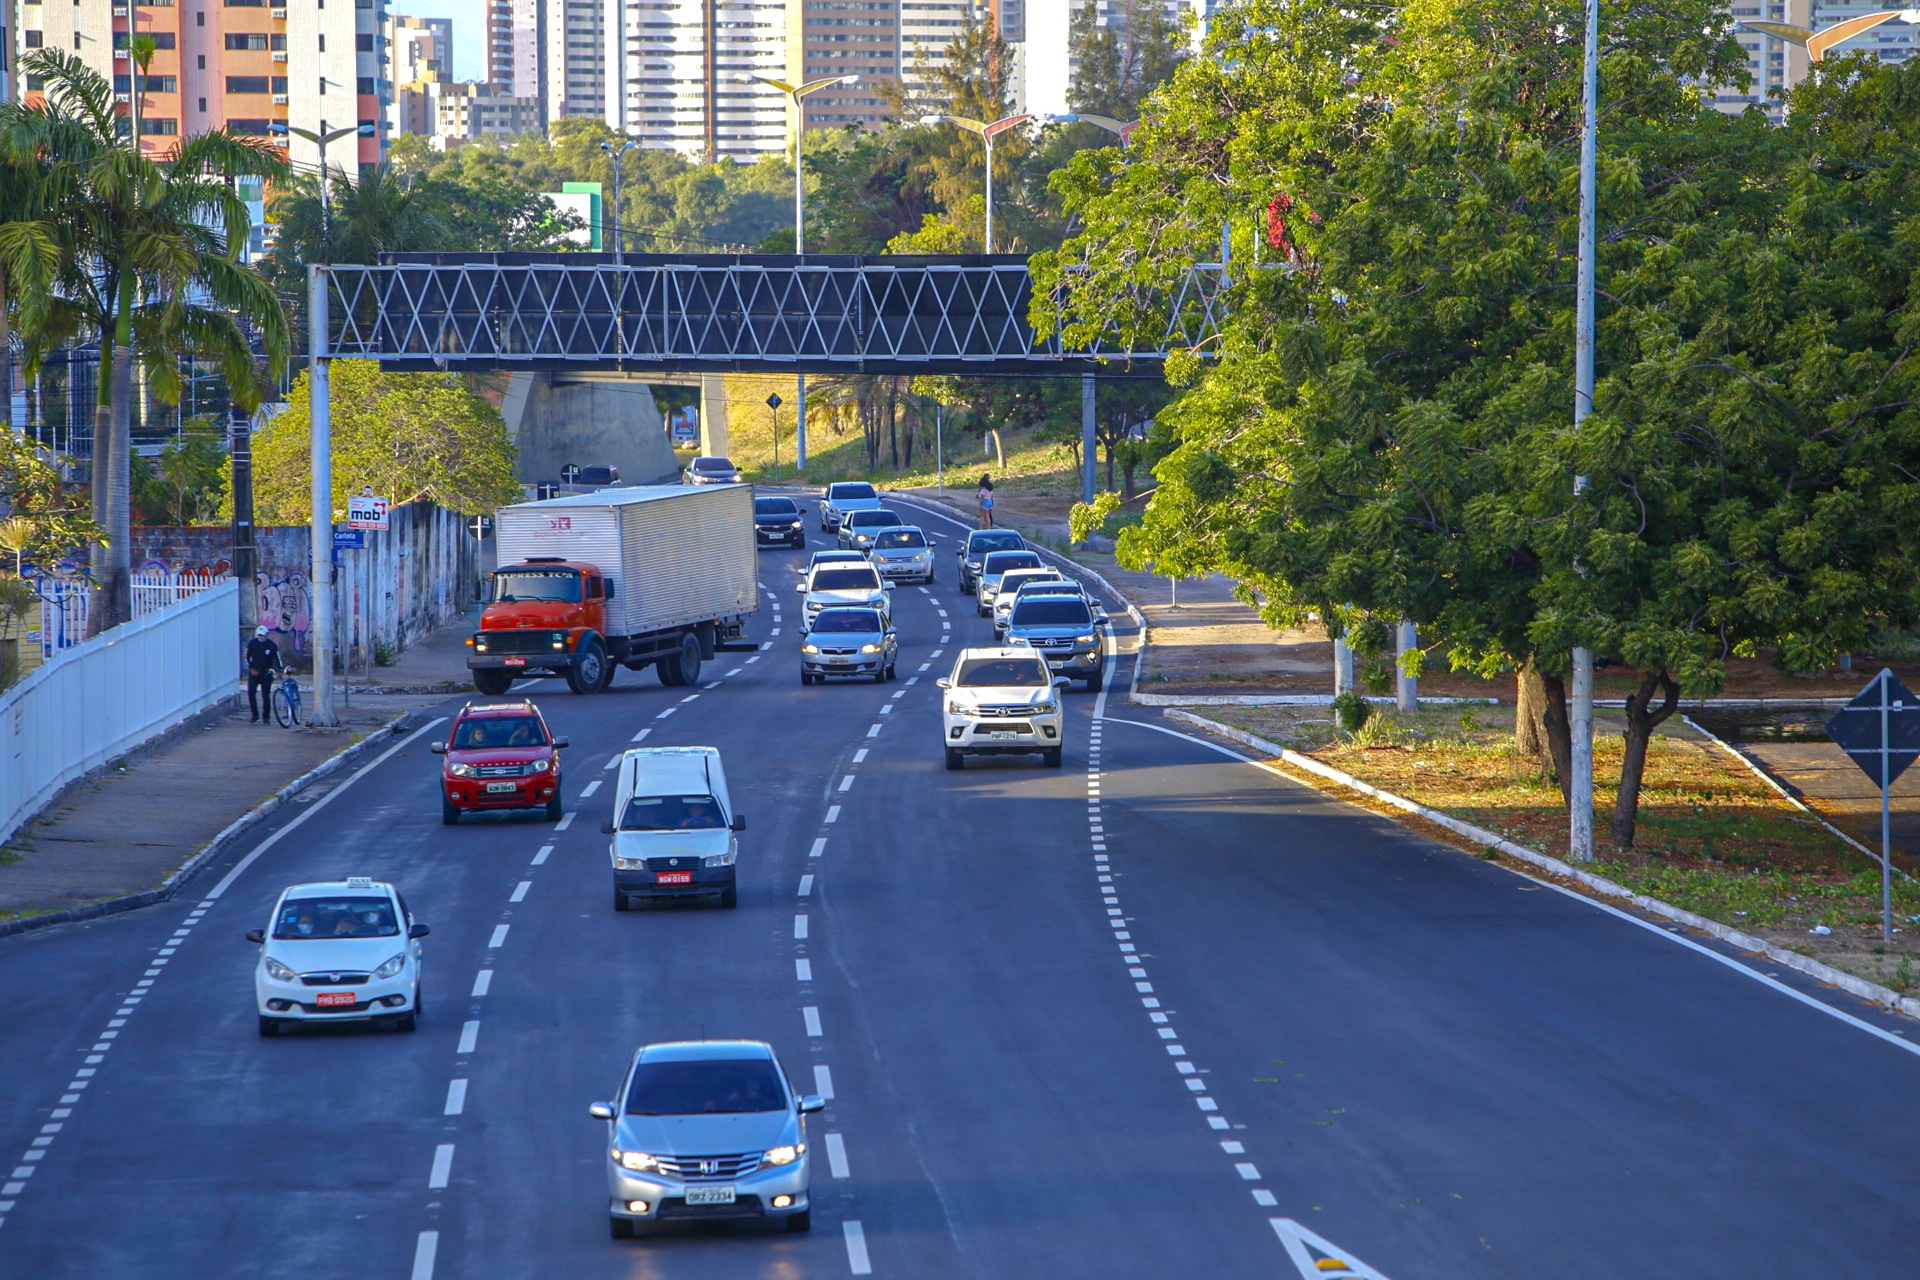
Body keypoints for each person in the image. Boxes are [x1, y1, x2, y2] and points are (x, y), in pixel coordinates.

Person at [246, 625, 283, 723]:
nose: (260, 637)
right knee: (251, 693)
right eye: (259, 635)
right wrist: (251, 668)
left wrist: (280, 670)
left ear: (267, 634)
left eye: (262, 635)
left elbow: (277, 658)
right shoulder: (252, 643)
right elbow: (247, 657)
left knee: (266, 696)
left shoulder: (271, 645)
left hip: (266, 674)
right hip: (254, 674)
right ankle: (254, 714)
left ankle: (266, 717)